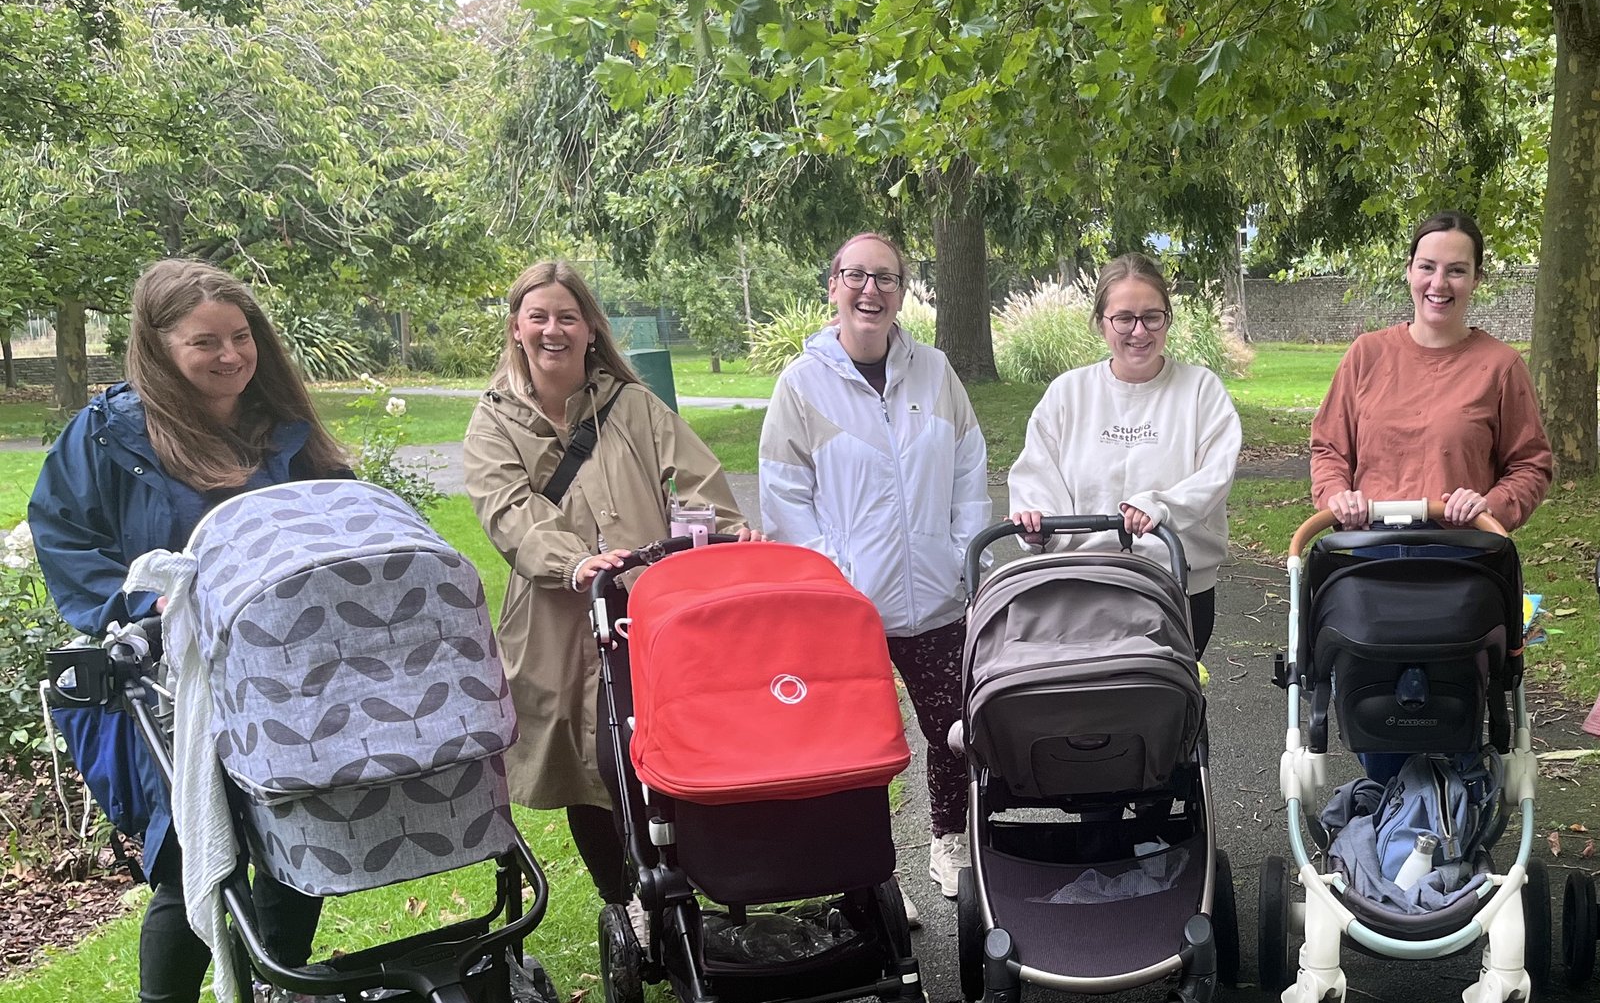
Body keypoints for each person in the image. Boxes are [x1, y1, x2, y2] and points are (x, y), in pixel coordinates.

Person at [28, 258, 350, 1003]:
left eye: (240, 337)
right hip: (171, 679)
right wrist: (137, 606)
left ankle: (280, 995)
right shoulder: (108, 438)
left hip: (284, 672)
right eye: (203, 341)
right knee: (186, 858)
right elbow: (62, 534)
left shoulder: (280, 425)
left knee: (295, 826)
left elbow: (339, 513)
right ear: (158, 347)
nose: (229, 355)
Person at [463, 258, 750, 917]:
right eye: (539, 316)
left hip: (652, 613)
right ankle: (623, 903)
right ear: (516, 328)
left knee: (671, 751)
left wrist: (729, 539)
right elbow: (508, 511)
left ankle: (692, 886)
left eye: (568, 316)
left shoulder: (634, 406)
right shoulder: (493, 421)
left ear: (590, 328)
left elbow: (696, 481)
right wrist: (574, 562)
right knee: (587, 769)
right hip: (558, 622)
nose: (553, 329)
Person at [758, 231, 990, 898]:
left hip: (938, 602)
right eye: (856, 275)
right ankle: (870, 880)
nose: (871, 290)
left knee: (954, 730)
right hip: (847, 612)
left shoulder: (936, 373)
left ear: (902, 290)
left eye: (886, 278)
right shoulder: (801, 387)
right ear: (832, 286)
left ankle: (949, 841)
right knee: (855, 752)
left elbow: (970, 474)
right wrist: (835, 583)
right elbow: (785, 503)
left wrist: (961, 555)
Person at [1007, 252, 1242, 656]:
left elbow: (1214, 477)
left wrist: (1160, 507)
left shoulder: (1201, 391)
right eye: (1124, 318)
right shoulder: (1069, 393)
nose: (1139, 331)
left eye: (1153, 316)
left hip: (1175, 587)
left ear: (1167, 318)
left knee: (1163, 708)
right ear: (1101, 322)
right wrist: (1038, 523)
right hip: (1082, 588)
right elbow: (1037, 474)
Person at [1310, 209, 1554, 536]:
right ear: (1409, 271)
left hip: (1461, 558)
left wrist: (1488, 506)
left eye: (1456, 270)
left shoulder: (1502, 366)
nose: (1439, 283)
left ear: (1476, 279)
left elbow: (1530, 466)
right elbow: (1329, 448)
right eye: (1427, 267)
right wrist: (1336, 497)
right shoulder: (1366, 355)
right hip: (1369, 555)